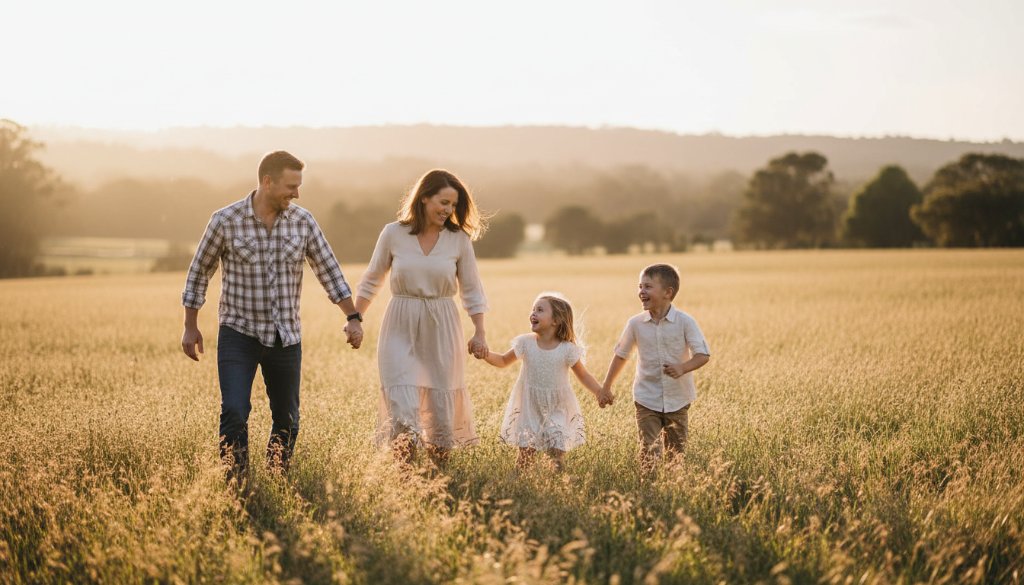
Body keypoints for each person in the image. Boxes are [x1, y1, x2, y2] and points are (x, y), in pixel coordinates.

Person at [180, 150, 363, 484]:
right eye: (291, 186)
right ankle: (238, 484)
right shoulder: (225, 220)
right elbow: (198, 274)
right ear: (267, 181)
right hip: (239, 333)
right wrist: (190, 327)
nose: (296, 193)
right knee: (234, 411)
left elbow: (329, 271)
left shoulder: (303, 222)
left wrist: (352, 316)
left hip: (286, 337)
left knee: (288, 419)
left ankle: (278, 478)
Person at [354, 169, 489, 465]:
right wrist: (355, 318)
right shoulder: (393, 233)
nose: (448, 210)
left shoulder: (459, 240)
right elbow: (372, 279)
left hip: (442, 324)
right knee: (402, 402)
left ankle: (437, 479)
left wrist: (479, 331)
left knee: (440, 406)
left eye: (453, 205)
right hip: (400, 322)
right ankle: (405, 479)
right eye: (443, 202)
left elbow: (472, 289)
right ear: (424, 198)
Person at [480, 293, 613, 471]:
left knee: (556, 448)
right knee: (526, 452)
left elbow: (583, 375)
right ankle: (519, 482)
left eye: (540, 310)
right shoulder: (525, 343)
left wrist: (599, 391)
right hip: (530, 405)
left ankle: (557, 482)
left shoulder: (567, 349)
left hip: (557, 405)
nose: (533, 313)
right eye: (533, 309)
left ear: (555, 320)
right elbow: (503, 361)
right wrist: (485, 354)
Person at [601, 263, 710, 471]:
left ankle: (672, 490)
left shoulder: (685, 322)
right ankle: (649, 489)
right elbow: (621, 356)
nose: (641, 291)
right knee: (648, 451)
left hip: (678, 399)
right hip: (646, 398)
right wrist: (606, 387)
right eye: (640, 286)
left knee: (676, 454)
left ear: (668, 292)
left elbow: (703, 355)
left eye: (648, 287)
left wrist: (682, 367)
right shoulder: (635, 324)